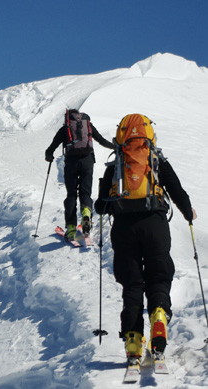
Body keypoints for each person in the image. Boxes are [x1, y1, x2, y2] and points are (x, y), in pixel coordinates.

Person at [94, 114, 197, 362]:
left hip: (124, 230)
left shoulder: (116, 164)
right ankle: (159, 315)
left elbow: (100, 206)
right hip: (155, 226)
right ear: (150, 136)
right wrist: (188, 213)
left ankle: (132, 341)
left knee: (132, 285)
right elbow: (178, 191)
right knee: (158, 277)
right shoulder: (157, 162)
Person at [45, 109, 114, 240]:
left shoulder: (65, 128)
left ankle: (71, 228)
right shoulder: (87, 125)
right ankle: (86, 215)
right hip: (87, 161)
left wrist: (49, 156)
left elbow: (51, 147)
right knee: (85, 192)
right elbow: (102, 141)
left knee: (71, 194)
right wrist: (115, 146)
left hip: (71, 162)